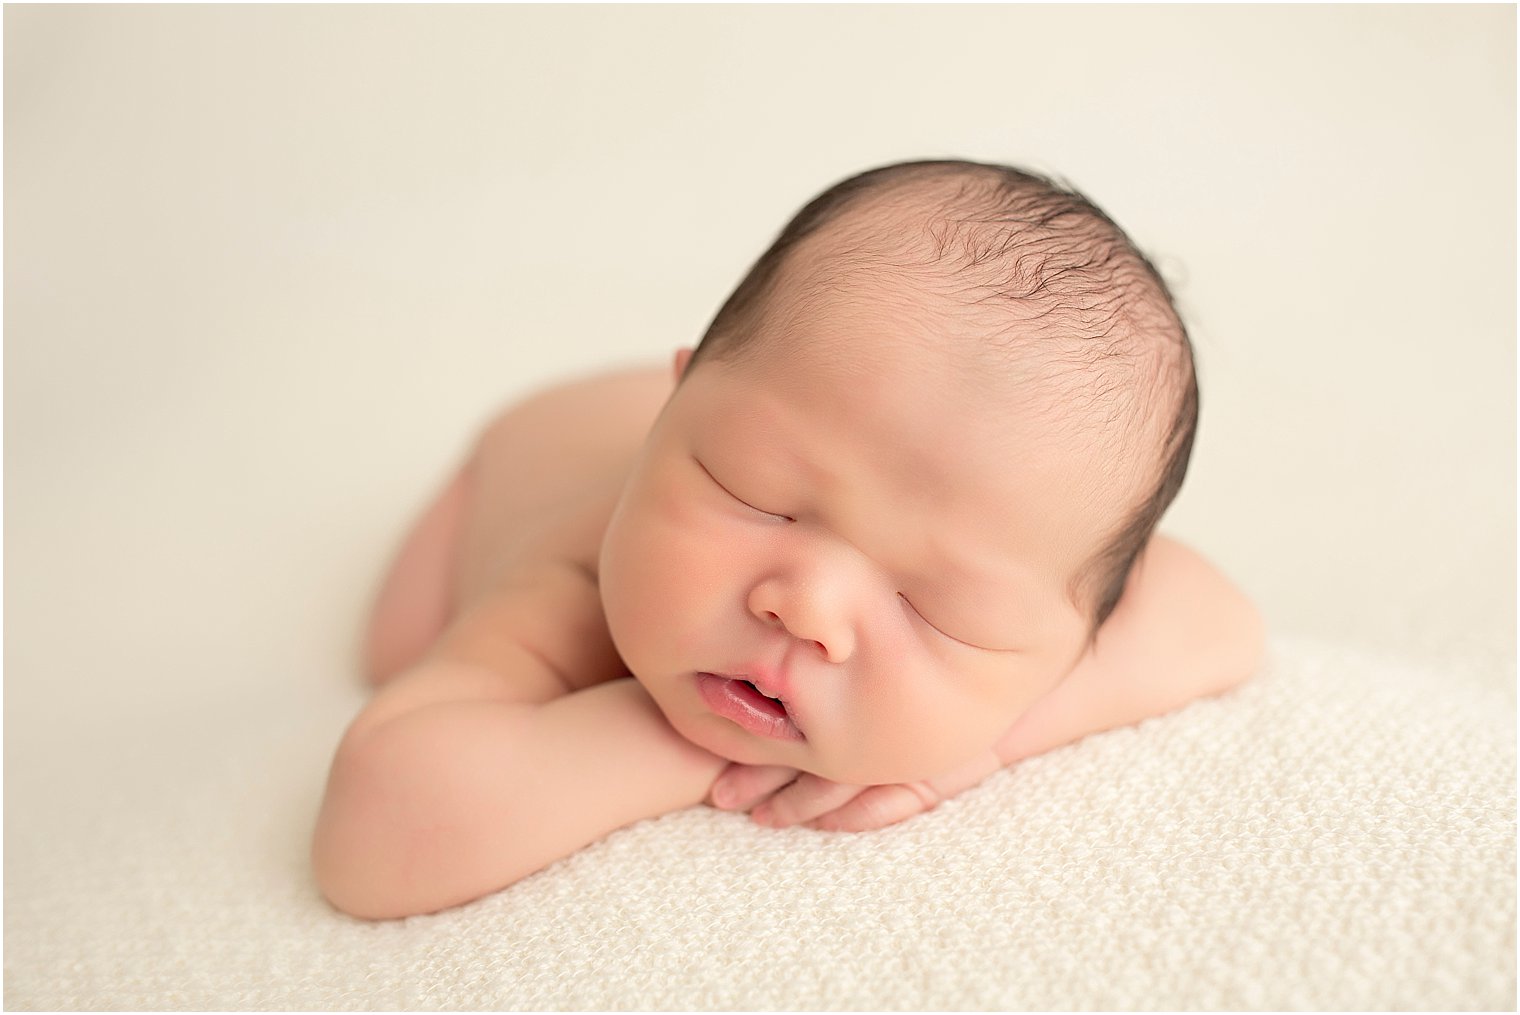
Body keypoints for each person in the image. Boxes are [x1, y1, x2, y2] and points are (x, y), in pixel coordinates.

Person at [312, 159, 1265, 920]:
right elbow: (371, 840)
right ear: (671, 410)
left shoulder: (1032, 568)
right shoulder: (569, 579)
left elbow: (1222, 620)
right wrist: (710, 753)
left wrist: (982, 736)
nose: (807, 607)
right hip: (519, 452)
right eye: (756, 496)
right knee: (394, 652)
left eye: (939, 609)